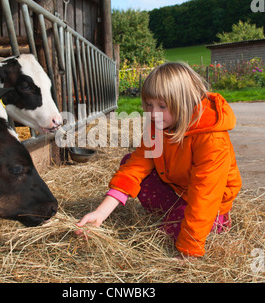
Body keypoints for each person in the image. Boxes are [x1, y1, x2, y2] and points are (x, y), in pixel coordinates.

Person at [76, 62, 242, 257]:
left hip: (207, 201)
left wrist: (189, 250)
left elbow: (205, 196)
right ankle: (174, 212)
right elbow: (136, 167)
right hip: (179, 188)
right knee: (129, 161)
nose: (153, 114)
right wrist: (100, 213)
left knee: (169, 234)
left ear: (185, 103)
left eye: (162, 106)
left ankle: (218, 220)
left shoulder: (212, 139)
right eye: (149, 105)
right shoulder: (158, 124)